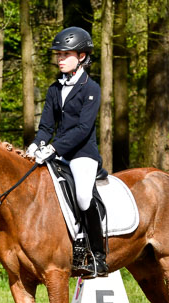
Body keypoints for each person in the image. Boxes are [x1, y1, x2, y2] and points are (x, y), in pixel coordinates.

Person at [27, 26, 109, 278]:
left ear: (81, 56)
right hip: (59, 154)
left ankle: (97, 256)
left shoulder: (90, 88)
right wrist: (35, 145)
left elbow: (84, 128)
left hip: (83, 154)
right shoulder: (54, 89)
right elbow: (46, 127)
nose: (60, 59)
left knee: (83, 196)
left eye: (65, 54)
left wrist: (52, 148)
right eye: (58, 55)